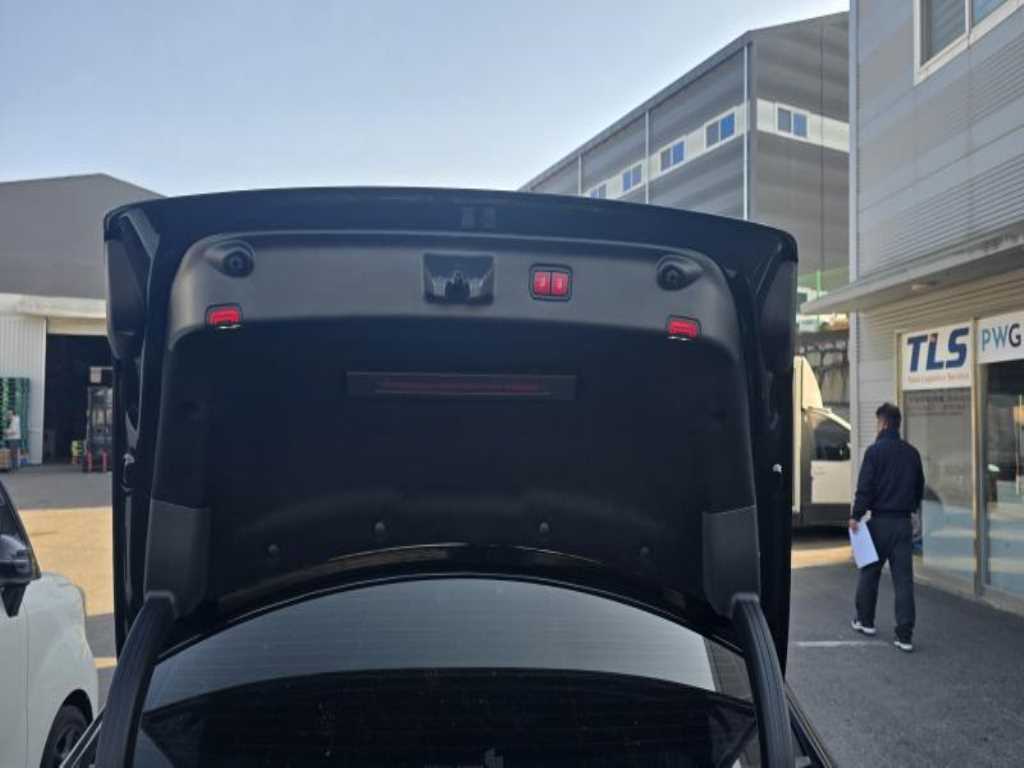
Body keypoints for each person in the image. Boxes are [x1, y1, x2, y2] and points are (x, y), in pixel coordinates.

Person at [849, 402, 924, 652]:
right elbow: (919, 487)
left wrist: (856, 515)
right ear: (897, 424)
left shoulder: (874, 452)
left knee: (869, 572)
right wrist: (911, 509)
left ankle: (865, 621)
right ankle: (905, 635)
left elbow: (865, 486)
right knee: (904, 581)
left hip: (879, 523)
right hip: (903, 524)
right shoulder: (912, 453)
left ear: (882, 423)